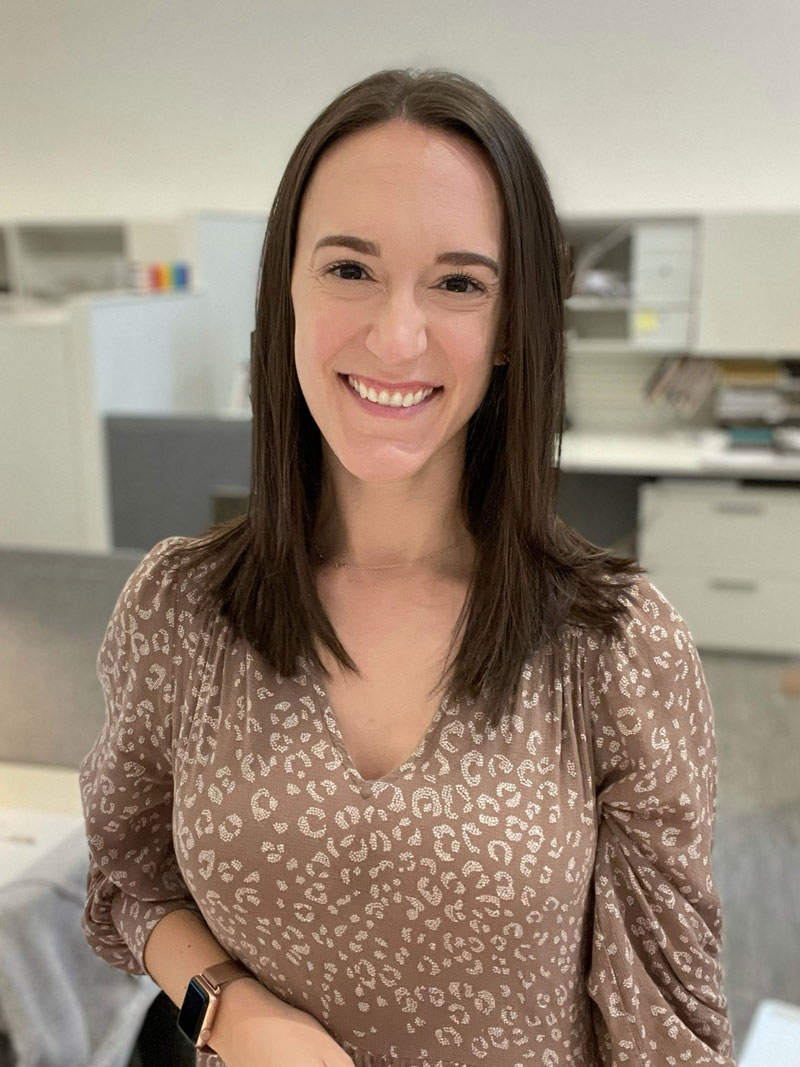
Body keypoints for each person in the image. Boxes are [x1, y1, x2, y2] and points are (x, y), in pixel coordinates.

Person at [78, 68, 737, 1067]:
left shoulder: (614, 646)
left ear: (510, 326)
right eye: (348, 269)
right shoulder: (180, 610)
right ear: (286, 291)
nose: (395, 335)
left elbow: (667, 1036)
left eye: (458, 282)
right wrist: (228, 1005)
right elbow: (130, 878)